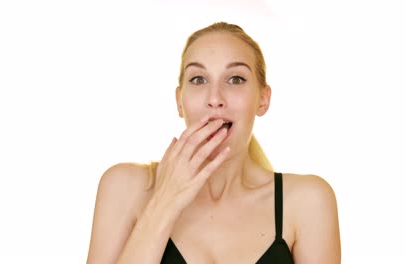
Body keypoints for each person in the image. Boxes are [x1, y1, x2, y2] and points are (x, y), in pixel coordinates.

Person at [86, 21, 341, 264]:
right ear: (179, 101)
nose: (215, 98)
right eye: (198, 79)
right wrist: (164, 201)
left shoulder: (307, 200)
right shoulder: (125, 186)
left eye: (235, 79)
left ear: (263, 99)